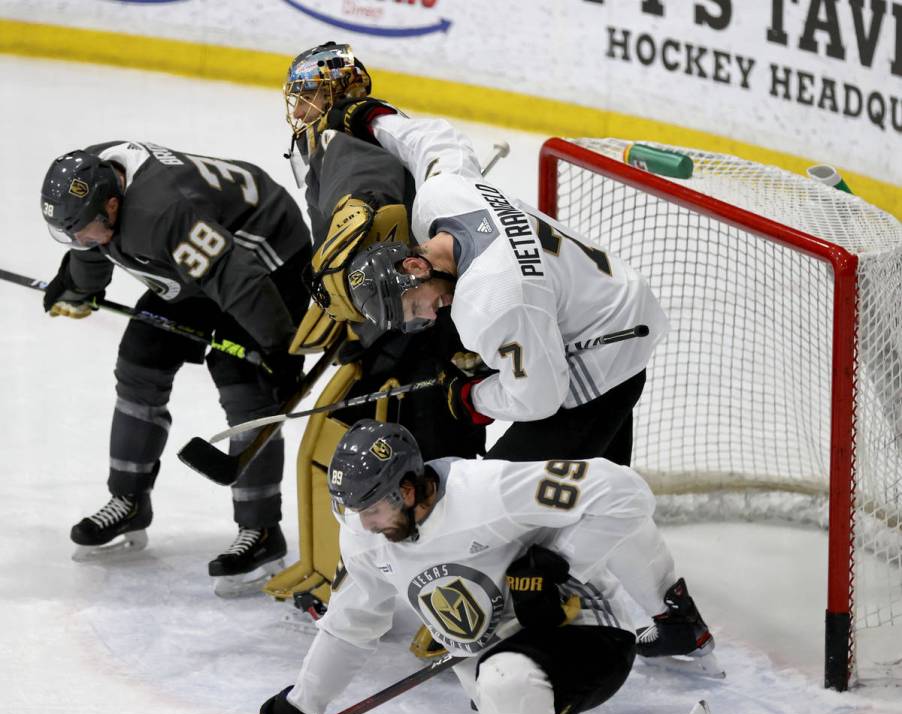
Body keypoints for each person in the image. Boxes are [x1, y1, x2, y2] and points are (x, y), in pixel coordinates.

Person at [317, 102, 712, 661]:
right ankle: (674, 616)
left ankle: (506, 625)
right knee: (598, 488)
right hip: (607, 304)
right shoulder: (443, 198)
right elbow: (435, 139)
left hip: (602, 355)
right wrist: (375, 118)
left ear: (413, 266)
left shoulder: (492, 301)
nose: (424, 319)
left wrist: (471, 396)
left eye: (414, 306)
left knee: (513, 502)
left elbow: (539, 395)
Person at [252, 420, 726, 714]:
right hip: (499, 685)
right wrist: (296, 710)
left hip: (583, 630)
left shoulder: (486, 489)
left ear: (410, 490)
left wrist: (556, 563)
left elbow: (624, 491)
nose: (364, 524)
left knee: (506, 677)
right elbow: (350, 628)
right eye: (353, 511)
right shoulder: (365, 536)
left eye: (373, 509)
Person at [261, 43, 486, 630]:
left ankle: (469, 593)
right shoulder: (326, 141)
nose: (300, 107)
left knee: (438, 467)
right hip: (388, 326)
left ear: (333, 96)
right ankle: (328, 570)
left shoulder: (352, 144)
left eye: (309, 94)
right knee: (331, 447)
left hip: (420, 331)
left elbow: (376, 216)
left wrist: (358, 320)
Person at [39, 142, 311, 596]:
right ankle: (129, 500)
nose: (81, 239)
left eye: (86, 230)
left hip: (266, 259)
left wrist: (280, 350)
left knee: (244, 379)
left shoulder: (161, 212)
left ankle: (262, 531)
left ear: (112, 203)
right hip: (205, 257)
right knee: (140, 359)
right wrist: (78, 284)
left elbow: (234, 276)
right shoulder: (94, 186)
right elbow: (91, 246)